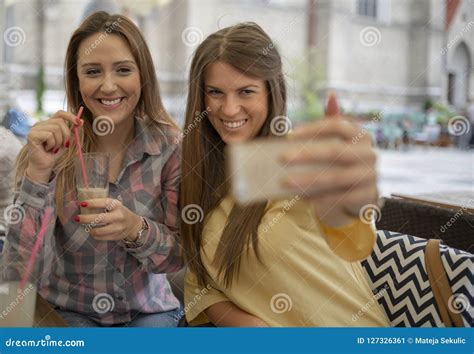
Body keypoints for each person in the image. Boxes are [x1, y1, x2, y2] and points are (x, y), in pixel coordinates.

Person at [181, 23, 388, 327]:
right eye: (215, 92)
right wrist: (245, 324)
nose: (229, 108)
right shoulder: (203, 175)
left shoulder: (296, 158)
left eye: (246, 92)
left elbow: (355, 239)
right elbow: (199, 280)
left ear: (271, 92)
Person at [2, 11, 183, 327]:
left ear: (143, 76)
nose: (109, 85)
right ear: (77, 80)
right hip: (71, 312)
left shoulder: (170, 147)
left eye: (123, 70)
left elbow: (179, 256)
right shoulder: (53, 147)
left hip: (149, 313)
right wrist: (38, 174)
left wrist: (135, 229)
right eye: (93, 71)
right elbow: (20, 268)